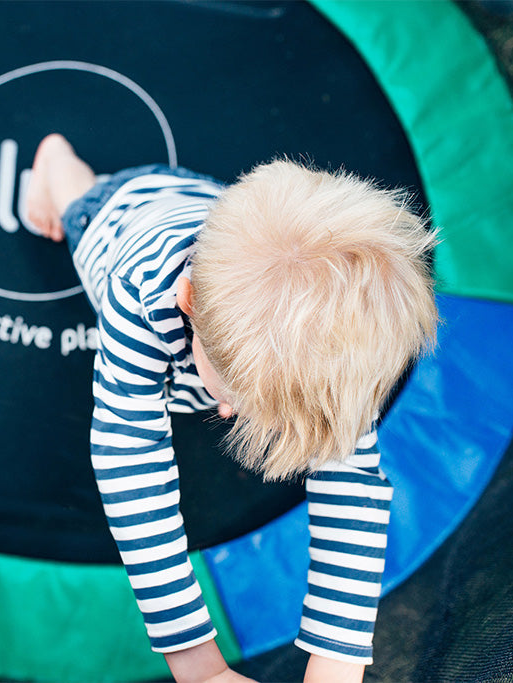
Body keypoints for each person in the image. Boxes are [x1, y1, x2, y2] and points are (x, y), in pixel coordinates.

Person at [24, 134, 439, 683]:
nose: (229, 412)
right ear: (188, 302)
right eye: (233, 394)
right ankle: (58, 163)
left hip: (215, 210)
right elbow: (130, 462)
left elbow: (352, 487)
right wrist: (197, 664)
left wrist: (336, 664)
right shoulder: (138, 296)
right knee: (70, 202)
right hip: (119, 216)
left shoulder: (337, 353)